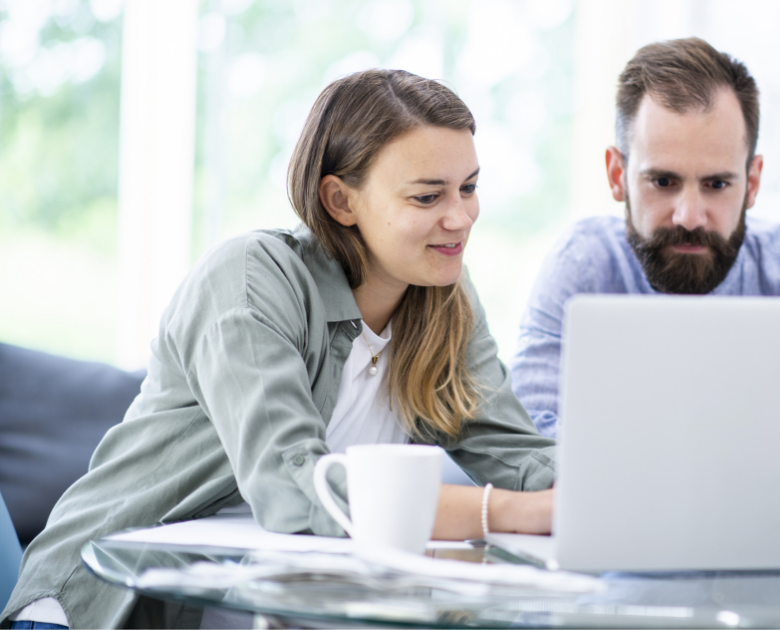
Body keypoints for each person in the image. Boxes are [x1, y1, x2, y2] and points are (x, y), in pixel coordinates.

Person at [2, 70, 555, 630]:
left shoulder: (444, 302)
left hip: (267, 607)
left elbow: (517, 454)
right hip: (102, 608)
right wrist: (505, 512)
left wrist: (598, 491)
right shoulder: (250, 278)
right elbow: (291, 491)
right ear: (340, 200)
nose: (460, 217)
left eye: (469, 187)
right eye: (428, 195)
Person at [512, 37, 780, 440]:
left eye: (717, 184)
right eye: (663, 181)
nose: (690, 217)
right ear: (617, 176)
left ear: (752, 183)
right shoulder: (583, 263)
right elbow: (526, 443)